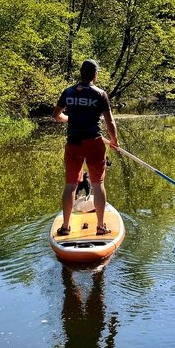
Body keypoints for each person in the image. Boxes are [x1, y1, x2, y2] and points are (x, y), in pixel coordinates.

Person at [52, 59, 119, 236]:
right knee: (98, 184)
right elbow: (110, 121)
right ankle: (101, 227)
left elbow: (56, 115)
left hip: (73, 143)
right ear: (95, 75)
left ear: (80, 74)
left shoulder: (68, 92)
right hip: (94, 143)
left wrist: (69, 119)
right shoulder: (100, 94)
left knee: (71, 185)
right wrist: (114, 140)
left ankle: (65, 227)